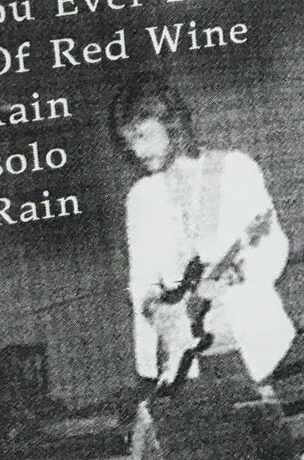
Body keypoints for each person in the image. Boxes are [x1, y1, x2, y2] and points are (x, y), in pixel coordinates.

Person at [109, 75, 294, 387]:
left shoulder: (234, 169)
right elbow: (141, 282)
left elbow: (273, 248)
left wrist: (232, 278)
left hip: (250, 347)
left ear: (171, 122)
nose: (137, 151)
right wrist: (159, 312)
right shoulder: (141, 197)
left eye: (142, 136)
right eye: (129, 141)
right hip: (185, 363)